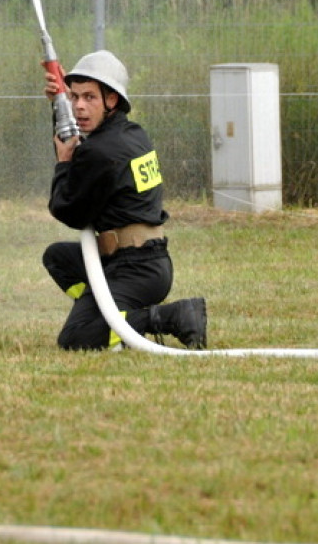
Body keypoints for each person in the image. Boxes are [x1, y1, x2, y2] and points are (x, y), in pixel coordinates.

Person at [41, 49, 207, 351]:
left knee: (76, 339)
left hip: (134, 270)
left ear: (112, 100)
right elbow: (81, 151)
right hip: (144, 260)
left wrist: (63, 164)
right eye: (75, 97)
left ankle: (164, 317)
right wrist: (59, 105)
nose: (79, 107)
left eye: (89, 98)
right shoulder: (132, 135)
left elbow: (69, 210)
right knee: (58, 257)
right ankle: (103, 313)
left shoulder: (103, 152)